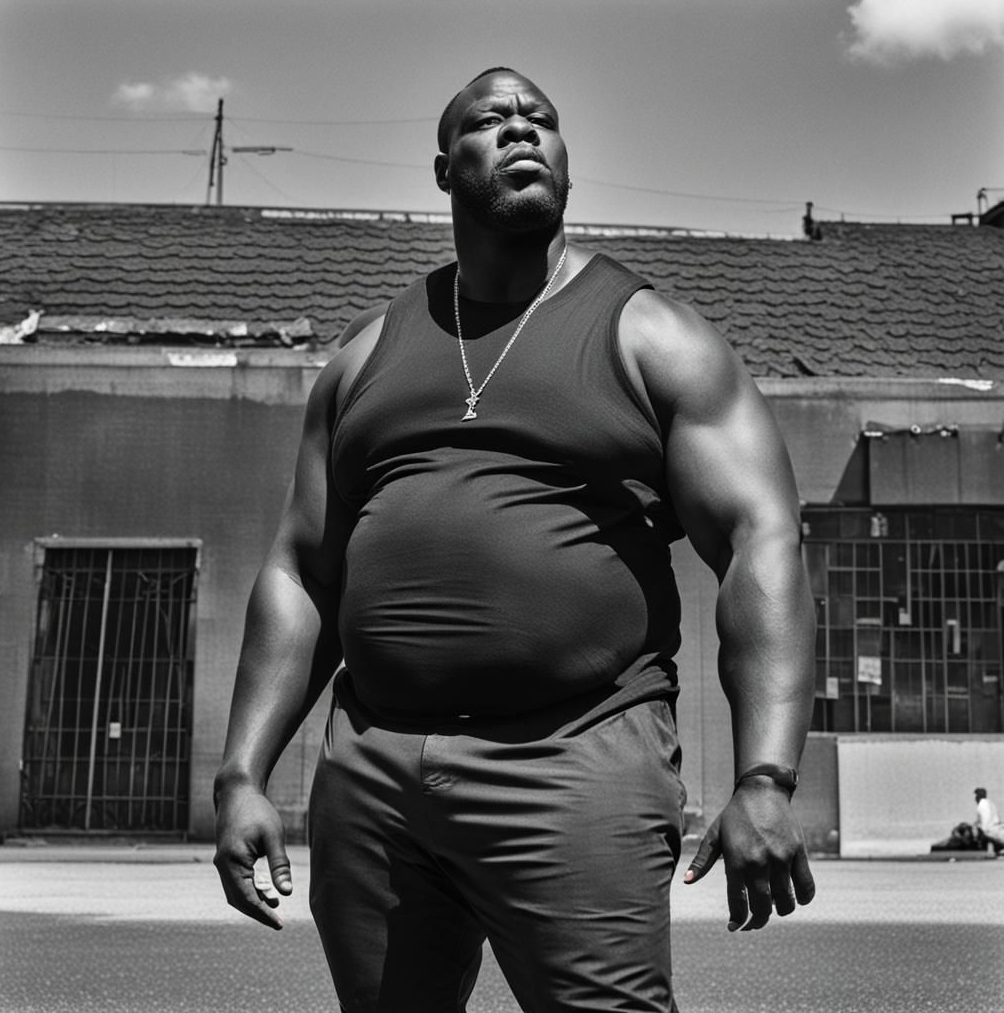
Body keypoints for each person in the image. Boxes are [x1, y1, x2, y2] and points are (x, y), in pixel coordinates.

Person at [213, 66, 816, 1013]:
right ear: (444, 169)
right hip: (375, 772)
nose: (521, 129)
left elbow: (760, 543)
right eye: (490, 120)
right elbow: (302, 570)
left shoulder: (653, 337)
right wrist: (242, 773)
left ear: (566, 162)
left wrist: (766, 777)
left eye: (540, 119)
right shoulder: (366, 354)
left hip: (575, 758)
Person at [973, 787, 1004, 856]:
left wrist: (980, 832)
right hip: (998, 829)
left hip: (991, 831)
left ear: (978, 796)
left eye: (976, 796)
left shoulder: (982, 805)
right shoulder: (990, 803)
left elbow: (985, 822)